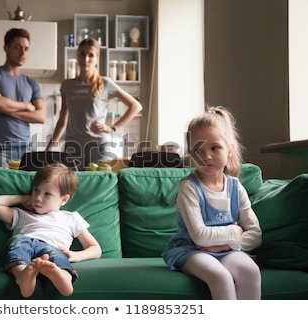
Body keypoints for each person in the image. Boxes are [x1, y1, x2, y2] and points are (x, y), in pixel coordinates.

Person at [162, 106, 262, 300]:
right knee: (220, 276)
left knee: (251, 271)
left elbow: (256, 235)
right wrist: (236, 232)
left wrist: (224, 246)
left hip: (228, 249)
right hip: (190, 250)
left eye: (215, 148)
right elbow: (200, 237)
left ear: (230, 149)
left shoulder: (235, 187)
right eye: (198, 150)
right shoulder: (189, 187)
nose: (206, 156)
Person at [0, 163, 102, 297]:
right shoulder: (22, 214)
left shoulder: (71, 218)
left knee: (58, 257)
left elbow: (96, 249)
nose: (38, 198)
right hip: (24, 242)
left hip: (52, 247)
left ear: (63, 199)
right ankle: (23, 276)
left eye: (47, 194)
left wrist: (77, 255)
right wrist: (23, 198)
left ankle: (64, 277)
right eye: (36, 190)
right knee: (16, 245)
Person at [46, 38, 143, 169]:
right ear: (77, 56)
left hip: (99, 144)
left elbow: (136, 106)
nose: (86, 59)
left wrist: (112, 128)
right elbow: (63, 120)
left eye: (90, 55)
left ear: (97, 58)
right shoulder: (67, 85)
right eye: (82, 54)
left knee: (99, 183)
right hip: (73, 146)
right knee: (73, 184)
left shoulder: (106, 83)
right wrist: (50, 147)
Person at [0, 28, 46, 167]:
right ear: (6, 48)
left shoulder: (31, 82)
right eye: (17, 47)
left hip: (26, 148)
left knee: (24, 188)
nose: (23, 53)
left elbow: (41, 117)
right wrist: (27, 107)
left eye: (26, 49)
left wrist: (5, 108)